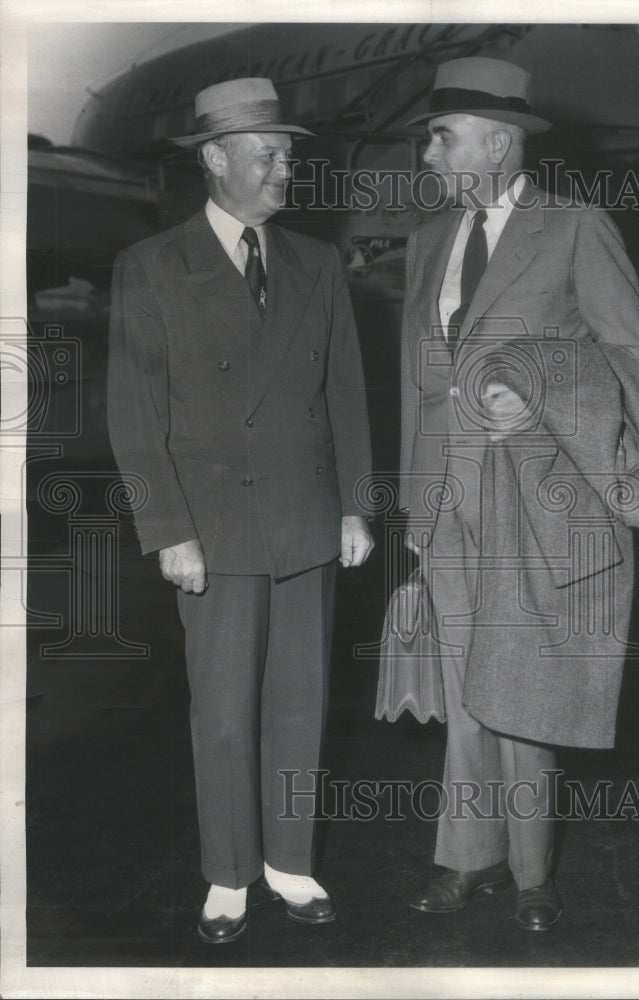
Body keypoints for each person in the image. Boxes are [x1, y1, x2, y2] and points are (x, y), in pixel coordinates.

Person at [398, 57, 639, 931]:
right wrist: (415, 498)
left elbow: (636, 358)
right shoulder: (427, 240)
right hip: (445, 496)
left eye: (442, 136)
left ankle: (532, 870)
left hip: (533, 497)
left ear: (498, 140)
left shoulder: (576, 227)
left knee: (525, 690)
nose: (428, 153)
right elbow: (421, 383)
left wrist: (543, 388)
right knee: (464, 686)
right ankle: (464, 860)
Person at [107, 78, 374, 944]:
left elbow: (347, 397)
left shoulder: (318, 263)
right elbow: (133, 417)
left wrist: (355, 509)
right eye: (269, 153)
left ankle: (290, 863)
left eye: (289, 154)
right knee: (222, 709)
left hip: (306, 519)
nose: (285, 169)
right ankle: (227, 874)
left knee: (302, 701)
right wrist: (165, 529)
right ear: (215, 159)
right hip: (211, 529)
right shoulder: (151, 267)